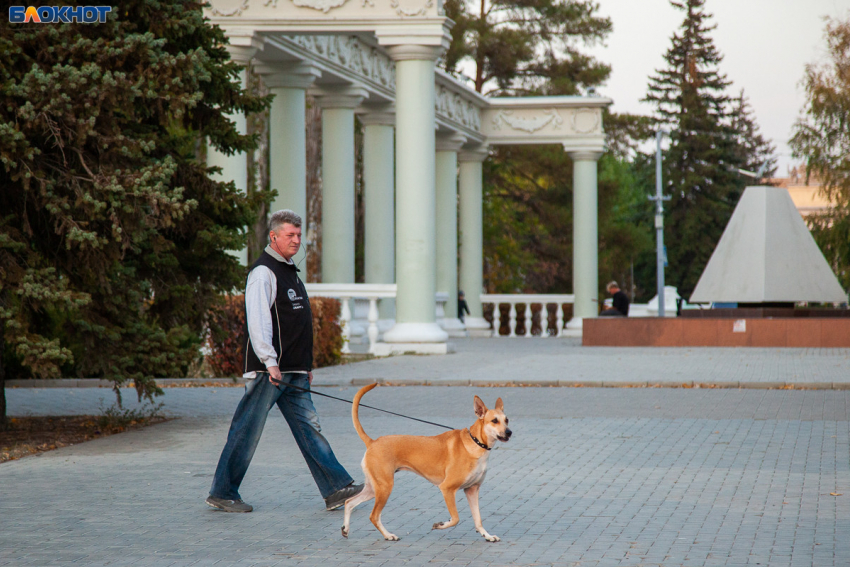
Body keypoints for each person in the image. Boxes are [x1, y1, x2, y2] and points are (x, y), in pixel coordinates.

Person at [206, 209, 363, 513]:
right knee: (247, 430)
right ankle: (223, 491)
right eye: (290, 235)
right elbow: (259, 321)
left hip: (294, 370)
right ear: (273, 236)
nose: (296, 240)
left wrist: (305, 365)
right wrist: (270, 362)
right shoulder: (263, 272)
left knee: (309, 426)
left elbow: (296, 322)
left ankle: (336, 489)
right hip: (271, 371)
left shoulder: (289, 269)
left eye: (299, 235)